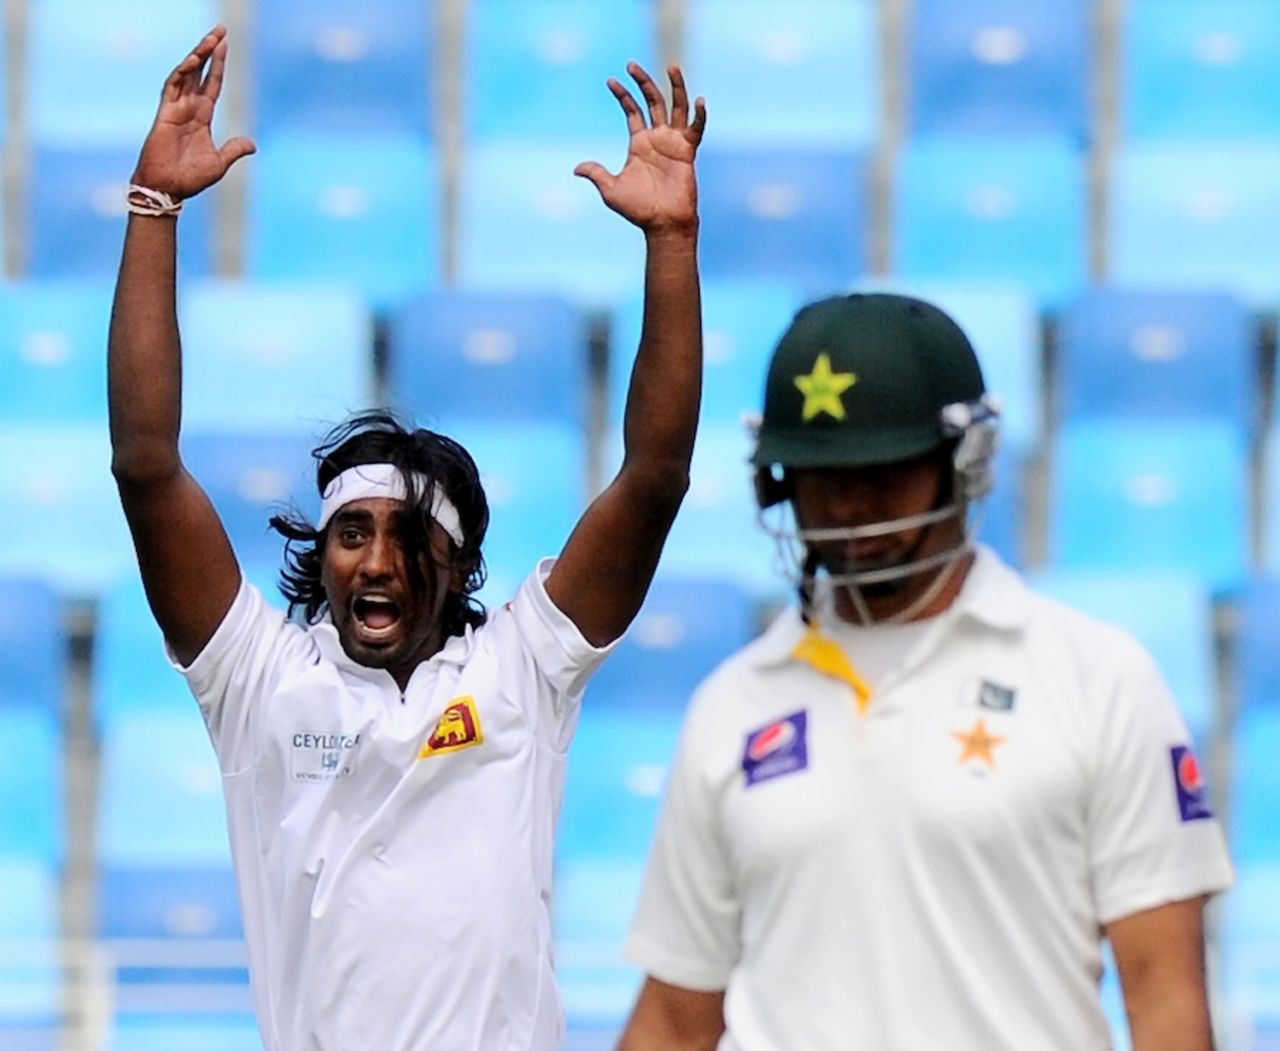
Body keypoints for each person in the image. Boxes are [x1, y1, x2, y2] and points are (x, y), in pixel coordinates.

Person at [107, 26, 706, 1051]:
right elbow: (145, 464)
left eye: (407, 537)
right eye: (351, 533)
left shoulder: (523, 667)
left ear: (458, 564)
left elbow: (652, 478)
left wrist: (671, 249)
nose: (377, 561)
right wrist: (154, 212)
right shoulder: (258, 680)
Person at [617, 292, 1234, 1051]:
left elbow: (1166, 999)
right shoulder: (734, 704)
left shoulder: (1096, 676)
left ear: (963, 462)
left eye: (881, 469)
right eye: (821, 473)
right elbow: (674, 1022)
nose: (848, 505)